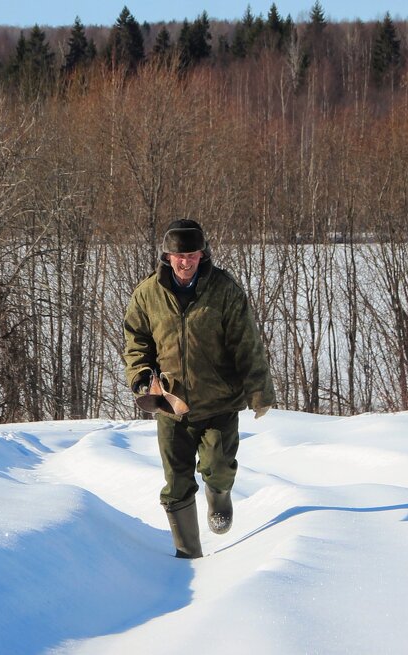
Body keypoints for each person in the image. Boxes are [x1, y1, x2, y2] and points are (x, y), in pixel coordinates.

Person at [123, 219, 275, 559]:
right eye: (178, 255)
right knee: (176, 483)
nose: (185, 262)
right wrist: (141, 374)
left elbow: (246, 344)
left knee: (218, 466)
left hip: (219, 402)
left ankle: (219, 498)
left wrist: (259, 391)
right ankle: (188, 556)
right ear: (167, 256)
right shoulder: (148, 294)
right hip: (171, 405)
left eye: (191, 254)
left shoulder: (224, 290)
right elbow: (136, 341)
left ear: (202, 255)